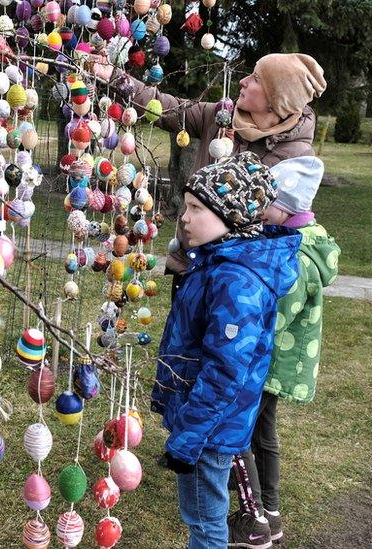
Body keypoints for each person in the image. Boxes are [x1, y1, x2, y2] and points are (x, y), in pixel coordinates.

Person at [153, 151, 302, 549]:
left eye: (196, 208)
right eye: (185, 206)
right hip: (202, 421)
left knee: (205, 523)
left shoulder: (237, 281)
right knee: (201, 516)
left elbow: (224, 372)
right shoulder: (214, 263)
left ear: (232, 217)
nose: (184, 217)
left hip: (209, 430)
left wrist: (188, 438)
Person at [92, 52, 326, 278]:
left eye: (255, 79)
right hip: (190, 263)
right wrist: (114, 76)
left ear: (276, 101)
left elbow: (284, 230)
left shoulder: (296, 157)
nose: (242, 82)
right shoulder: (220, 117)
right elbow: (164, 108)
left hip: (239, 276)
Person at [227, 156, 341, 547]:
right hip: (275, 358)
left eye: (264, 203)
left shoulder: (299, 256)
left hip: (271, 359)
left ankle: (254, 515)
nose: (258, 209)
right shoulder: (296, 240)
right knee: (262, 432)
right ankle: (270, 514)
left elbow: (273, 316)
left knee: (244, 430)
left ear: (285, 208)